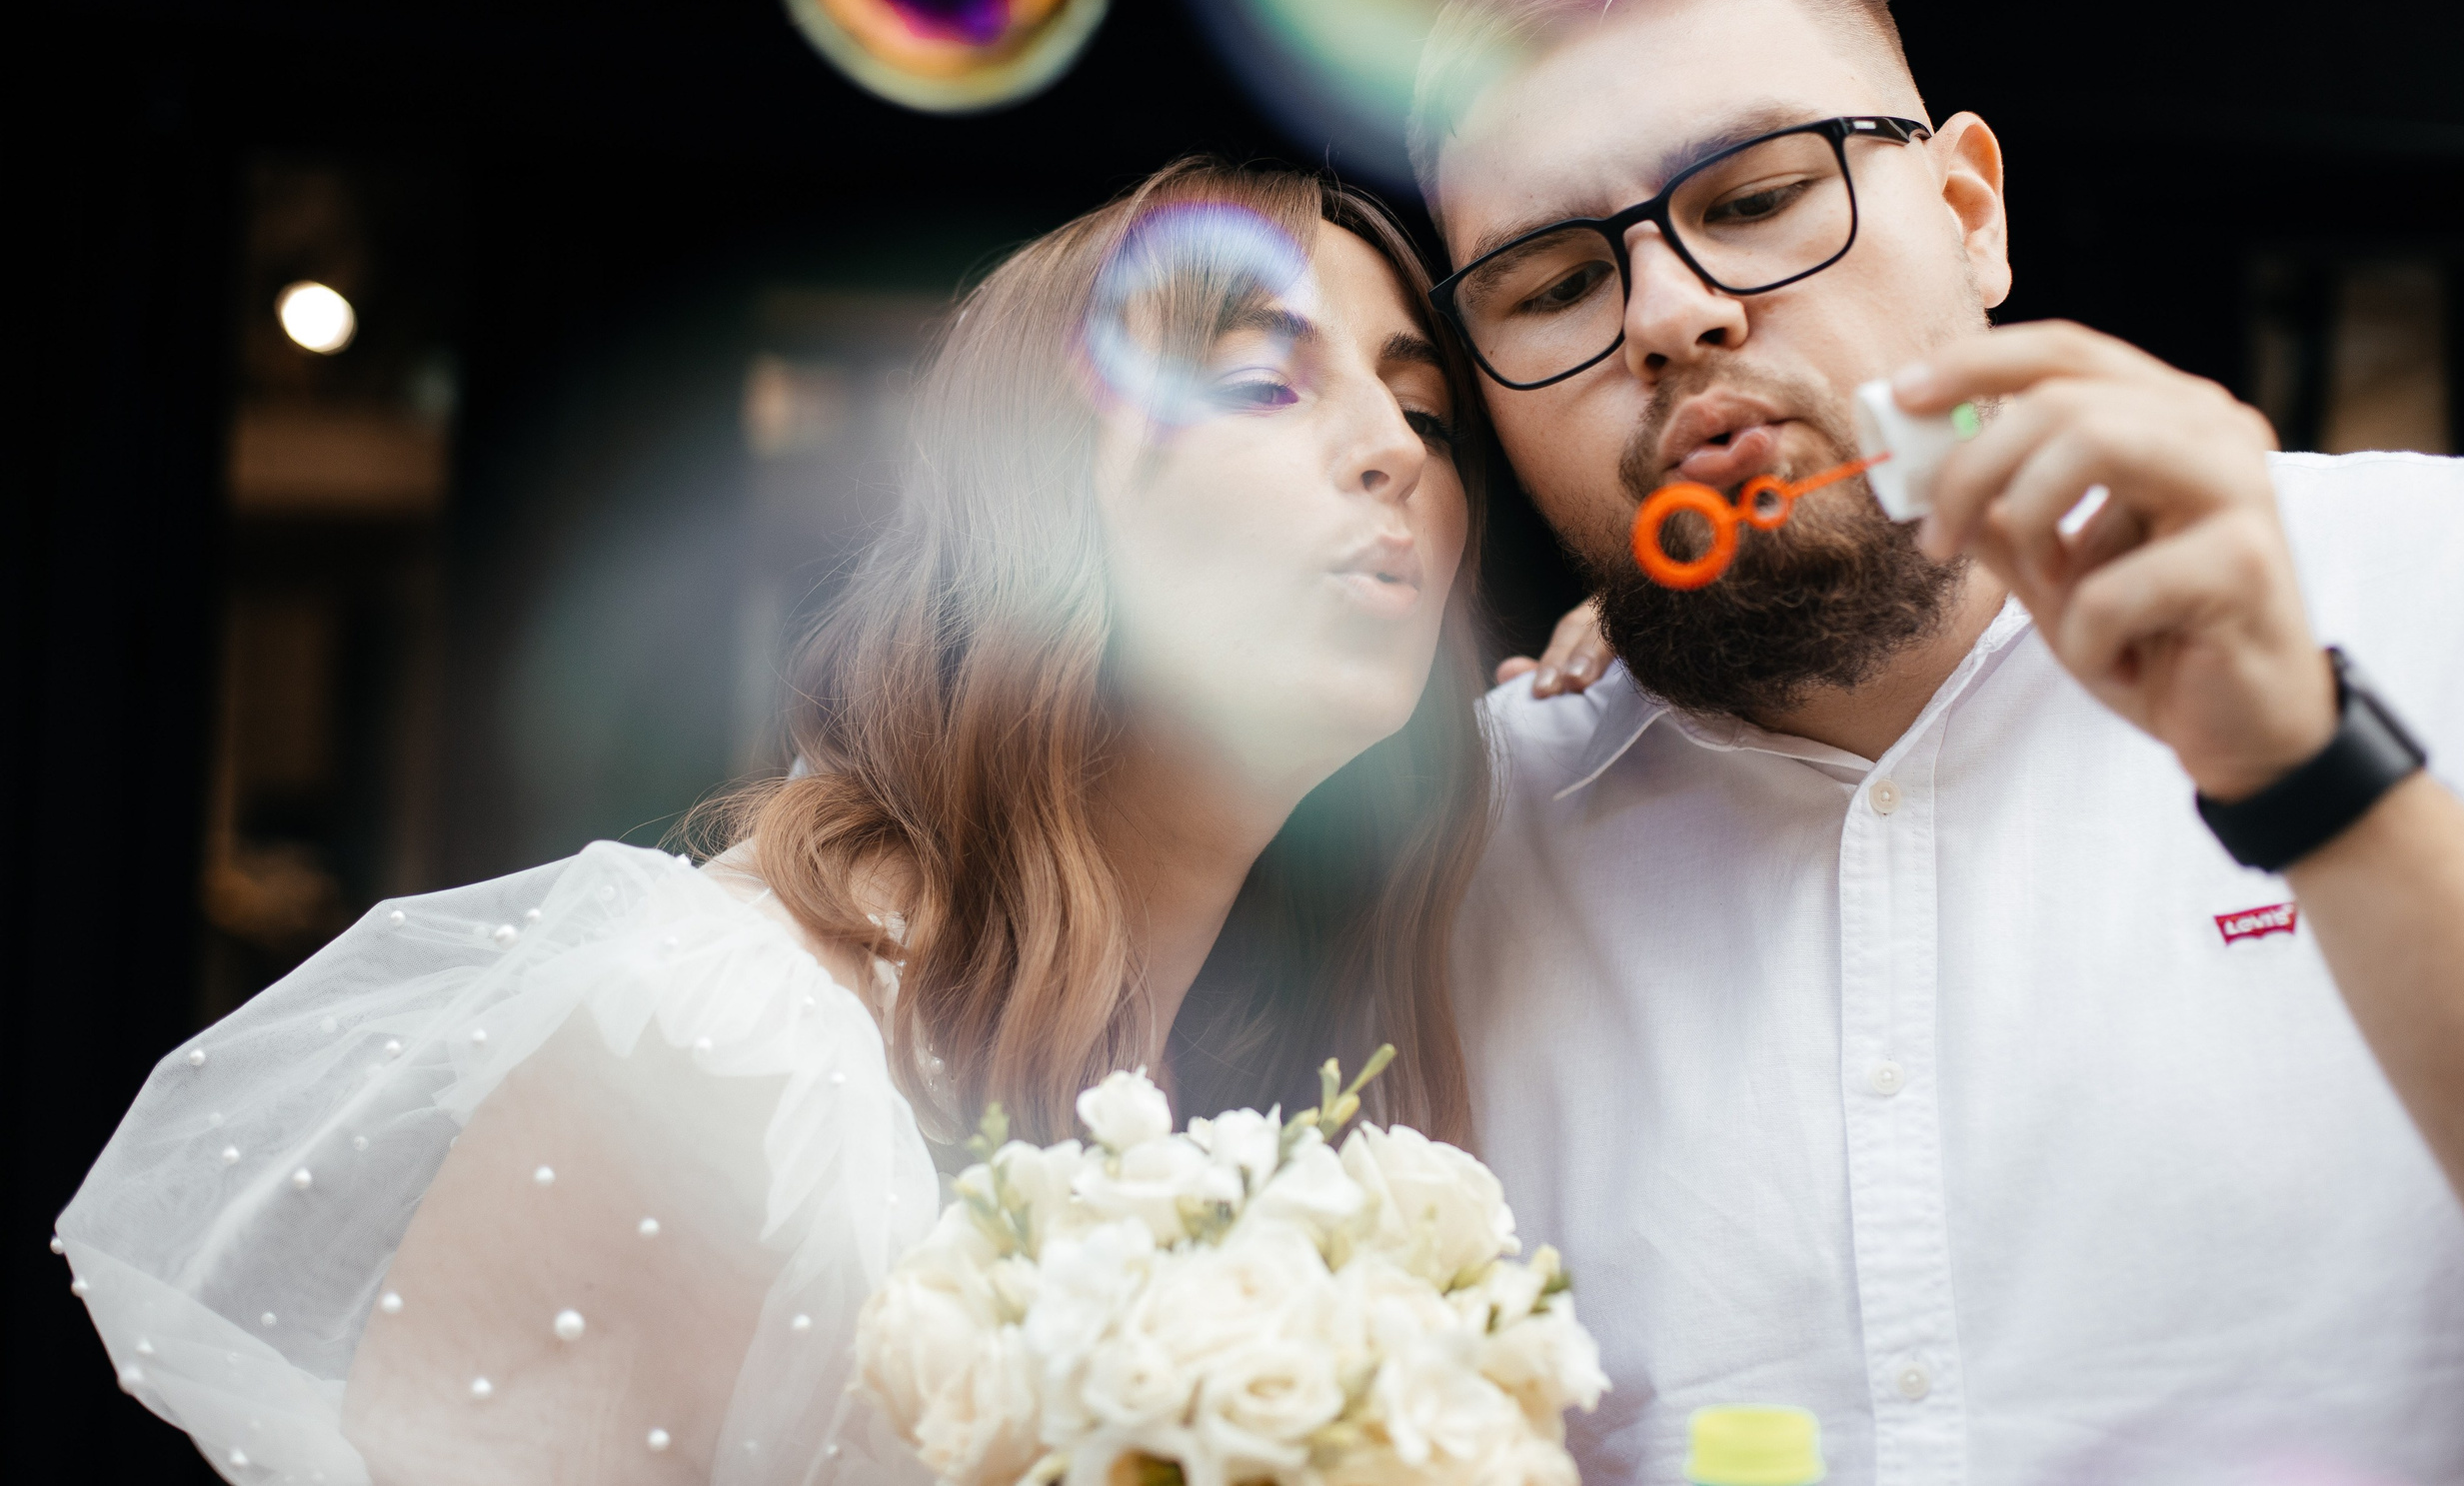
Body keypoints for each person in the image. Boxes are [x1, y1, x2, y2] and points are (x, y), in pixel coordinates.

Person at [54, 157, 1493, 1485]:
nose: (1396, 450)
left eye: (1428, 413)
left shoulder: (1320, 1074)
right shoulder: (722, 1048)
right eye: (1263, 385)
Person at [1412, 0, 2464, 1483]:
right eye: (1551, 288)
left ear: (1970, 212)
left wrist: (2312, 769)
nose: (1670, 315)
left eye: (1758, 198)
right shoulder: (1450, 855)